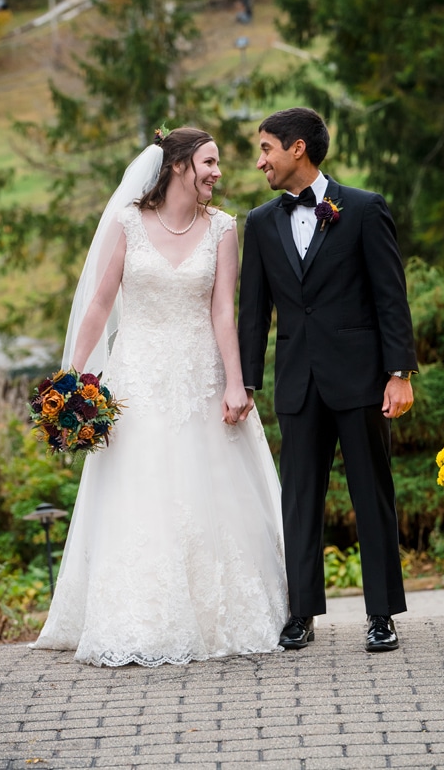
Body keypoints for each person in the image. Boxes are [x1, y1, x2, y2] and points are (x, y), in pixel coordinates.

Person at [32, 127, 289, 667]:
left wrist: (236, 382)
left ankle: (214, 617)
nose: (219, 172)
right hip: (137, 379)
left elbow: (224, 310)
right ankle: (137, 614)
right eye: (209, 161)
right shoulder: (129, 222)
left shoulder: (222, 229)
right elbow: (101, 304)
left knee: (206, 490)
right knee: (139, 489)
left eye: (218, 163)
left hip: (199, 376)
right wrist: (72, 381)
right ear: (178, 166)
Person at [237, 108, 418, 653]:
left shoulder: (363, 208)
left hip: (361, 379)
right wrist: (246, 384)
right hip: (297, 381)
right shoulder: (261, 223)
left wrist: (399, 373)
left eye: (266, 148)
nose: (260, 160)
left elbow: (391, 297)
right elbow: (254, 311)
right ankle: (300, 614)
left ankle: (382, 614)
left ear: (297, 149)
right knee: (300, 500)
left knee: (372, 496)